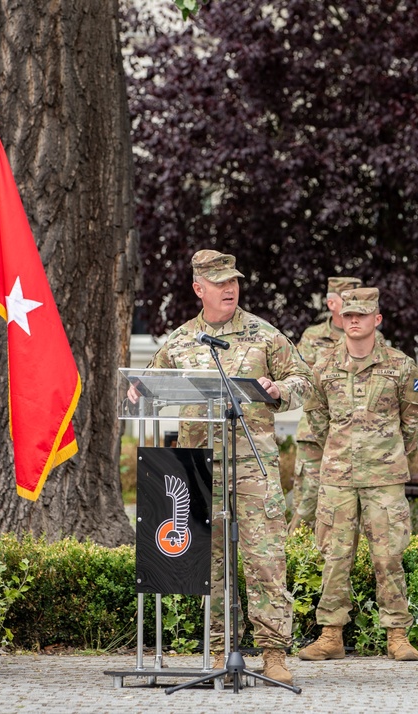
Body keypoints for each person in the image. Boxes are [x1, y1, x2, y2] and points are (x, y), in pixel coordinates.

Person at [144, 249, 313, 685]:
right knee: (212, 564)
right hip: (199, 469)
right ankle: (219, 648)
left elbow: (303, 382)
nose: (230, 289)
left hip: (253, 466)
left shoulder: (263, 334)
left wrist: (279, 390)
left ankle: (274, 653)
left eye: (234, 281)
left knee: (265, 560)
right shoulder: (181, 341)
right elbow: (148, 383)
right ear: (199, 289)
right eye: (219, 283)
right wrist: (136, 392)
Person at [296, 287, 418, 662]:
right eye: (348, 314)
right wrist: (340, 450)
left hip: (384, 478)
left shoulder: (401, 366)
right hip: (337, 477)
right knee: (335, 557)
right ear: (341, 318)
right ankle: (331, 634)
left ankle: (397, 634)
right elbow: (317, 418)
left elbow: (413, 421)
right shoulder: (323, 368)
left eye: (362, 315)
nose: (353, 320)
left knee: (388, 556)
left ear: (376, 320)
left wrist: (387, 453)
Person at [289, 275, 362, 532]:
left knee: (352, 506)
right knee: (307, 502)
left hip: (355, 434)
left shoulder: (371, 337)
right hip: (314, 434)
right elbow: (300, 379)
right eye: (349, 301)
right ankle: (299, 562)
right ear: (332, 304)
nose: (356, 307)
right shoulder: (313, 337)